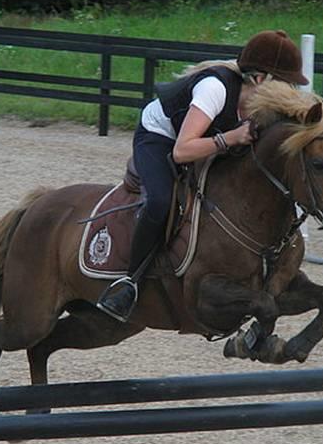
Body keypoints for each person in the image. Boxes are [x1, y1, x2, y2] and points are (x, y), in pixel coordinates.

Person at [96, 29, 309, 323]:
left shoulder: (262, 104)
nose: (291, 92)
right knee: (159, 200)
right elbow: (181, 152)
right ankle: (129, 282)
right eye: (286, 84)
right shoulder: (214, 89)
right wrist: (230, 139)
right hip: (162, 138)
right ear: (260, 79)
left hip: (208, 137)